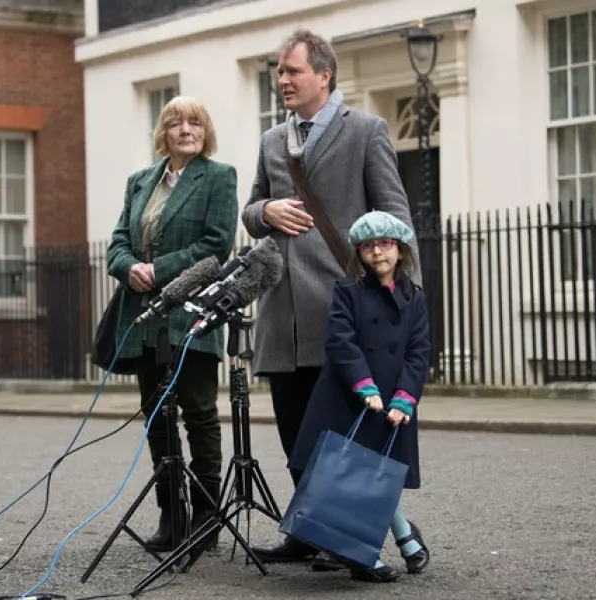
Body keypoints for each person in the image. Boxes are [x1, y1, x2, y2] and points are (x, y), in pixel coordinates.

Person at [241, 28, 420, 563]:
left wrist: (396, 301)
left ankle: (341, 539)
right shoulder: (273, 140)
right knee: (296, 431)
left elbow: (397, 218)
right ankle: (306, 532)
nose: (283, 80)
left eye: (292, 71)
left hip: (344, 312)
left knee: (342, 435)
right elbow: (250, 211)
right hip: (282, 313)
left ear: (324, 74)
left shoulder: (366, 130)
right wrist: (266, 212)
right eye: (279, 71)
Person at [106, 96, 238, 551]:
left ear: (205, 131)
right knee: (156, 415)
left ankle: (207, 517)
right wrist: (128, 268)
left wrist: (156, 270)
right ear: (164, 132)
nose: (187, 129)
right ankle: (171, 515)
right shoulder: (139, 182)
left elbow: (216, 246)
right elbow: (118, 241)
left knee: (199, 414)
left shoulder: (218, 177)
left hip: (191, 313)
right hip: (143, 317)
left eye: (195, 122)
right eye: (177, 122)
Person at [287, 211, 430, 583]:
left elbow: (418, 352)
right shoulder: (347, 291)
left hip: (391, 401)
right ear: (359, 254)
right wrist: (364, 385)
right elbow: (341, 342)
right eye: (367, 246)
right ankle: (366, 554)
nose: (377, 253)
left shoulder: (415, 298)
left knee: (374, 474)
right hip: (348, 395)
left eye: (384, 244)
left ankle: (402, 539)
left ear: (399, 249)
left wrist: (404, 398)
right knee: (350, 474)